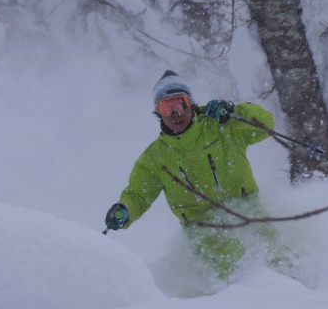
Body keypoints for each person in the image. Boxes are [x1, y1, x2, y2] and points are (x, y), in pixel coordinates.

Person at [104, 70, 278, 279]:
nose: (176, 113)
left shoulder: (223, 126)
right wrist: (125, 210)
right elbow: (138, 195)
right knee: (232, 261)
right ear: (158, 113)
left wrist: (234, 111)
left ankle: (303, 294)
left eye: (181, 103)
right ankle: (233, 302)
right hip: (202, 224)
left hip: (245, 207)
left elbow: (266, 125)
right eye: (167, 107)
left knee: (275, 253)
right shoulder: (155, 158)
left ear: (192, 103)